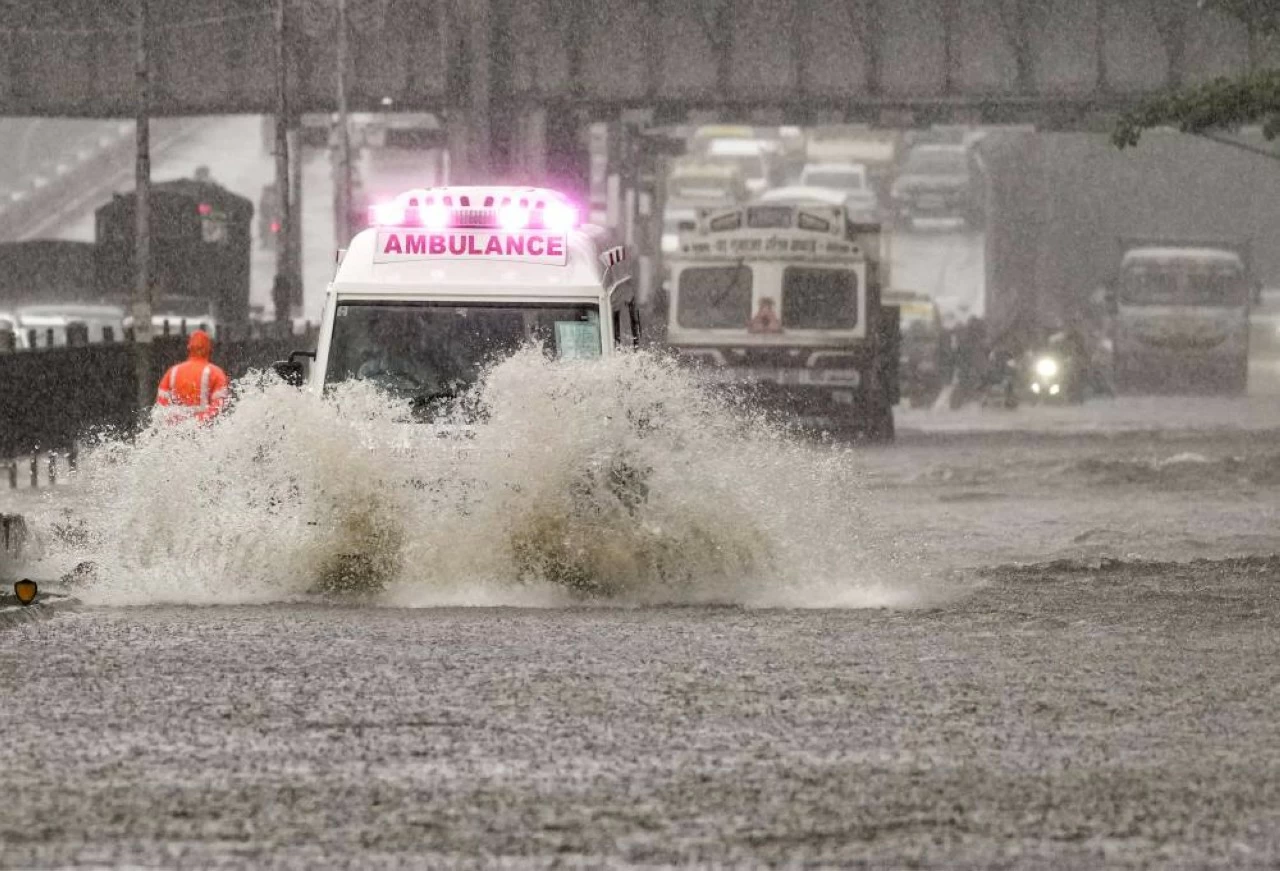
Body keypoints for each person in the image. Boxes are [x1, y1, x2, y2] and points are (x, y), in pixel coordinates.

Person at [156, 329, 229, 423]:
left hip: (176, 430)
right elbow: (219, 405)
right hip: (204, 430)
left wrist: (173, 422)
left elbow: (161, 406)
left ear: (189, 348)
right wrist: (200, 421)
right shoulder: (215, 372)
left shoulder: (172, 372)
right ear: (209, 349)